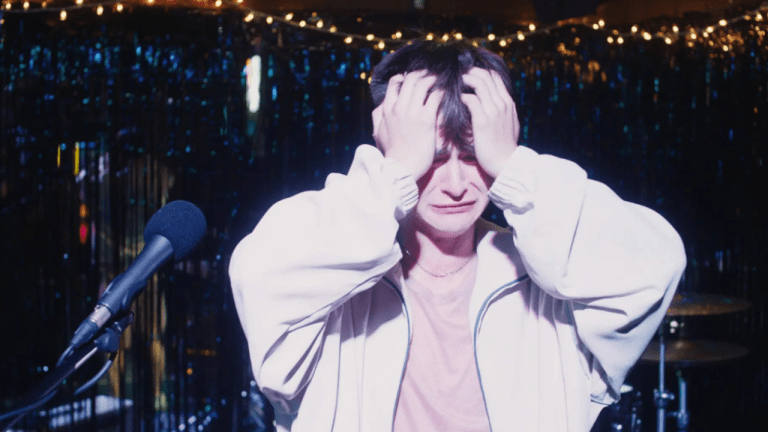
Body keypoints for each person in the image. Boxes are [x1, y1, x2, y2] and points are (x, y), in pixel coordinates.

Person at [228, 40, 686, 432]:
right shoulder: (337, 277)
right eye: (431, 157)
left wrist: (514, 166)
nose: (455, 185)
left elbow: (657, 264)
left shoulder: (542, 276)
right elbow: (259, 273)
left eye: (471, 155)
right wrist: (394, 170)